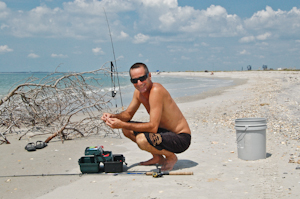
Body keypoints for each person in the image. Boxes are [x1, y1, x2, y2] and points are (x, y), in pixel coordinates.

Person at [101, 63, 191, 171]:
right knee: (126, 129)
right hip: (163, 132)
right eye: (134, 80)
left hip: (180, 138)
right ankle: (157, 157)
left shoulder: (156, 90)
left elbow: (153, 127)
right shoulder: (138, 93)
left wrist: (121, 124)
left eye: (142, 78)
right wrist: (113, 116)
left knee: (142, 140)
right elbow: (128, 114)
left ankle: (171, 157)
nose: (139, 83)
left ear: (149, 76)